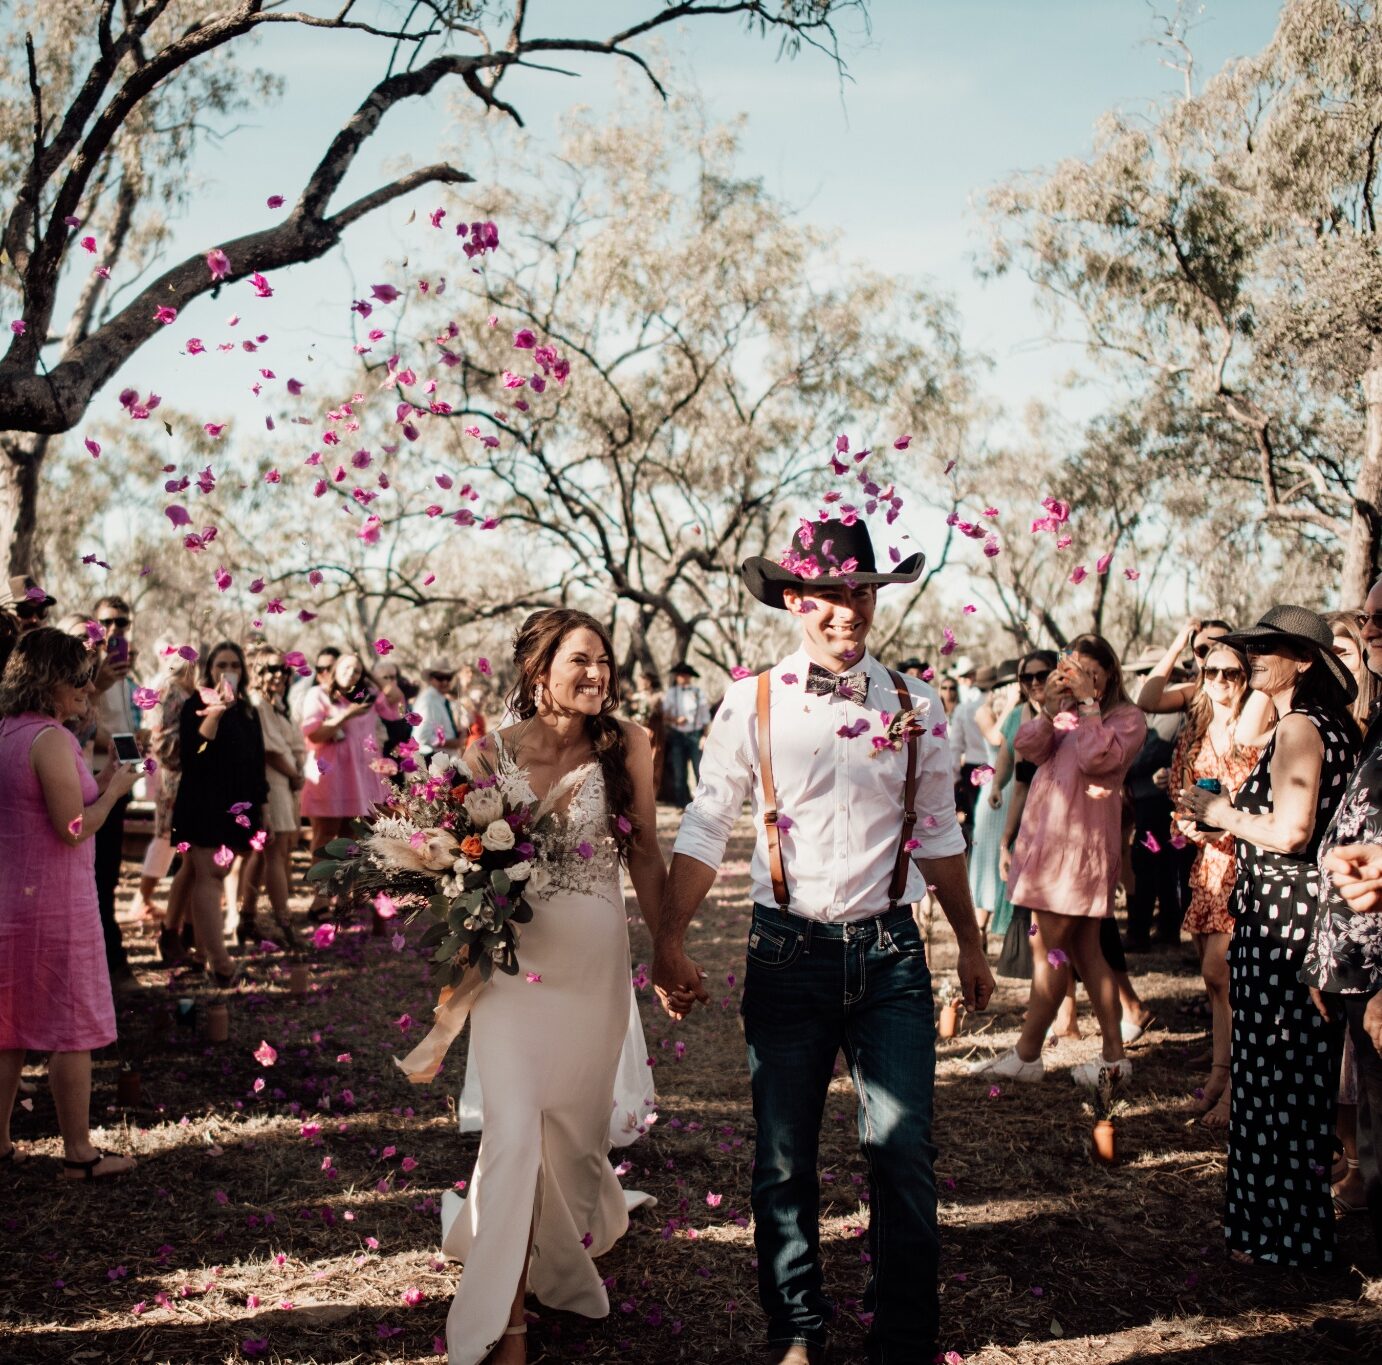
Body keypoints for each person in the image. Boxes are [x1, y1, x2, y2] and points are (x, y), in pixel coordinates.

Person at [653, 517, 994, 1365]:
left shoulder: (918, 704)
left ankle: (905, 1334)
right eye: (830, 595)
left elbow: (940, 834)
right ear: (796, 600)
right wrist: (669, 938)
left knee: (903, 1148)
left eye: (862, 593)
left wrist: (973, 945)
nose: (847, 611)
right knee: (782, 1158)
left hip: (890, 955)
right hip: (787, 954)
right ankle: (797, 1329)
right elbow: (705, 823)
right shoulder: (753, 700)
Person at [408, 608, 669, 1365]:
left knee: (571, 1141)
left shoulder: (632, 746)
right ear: (538, 670)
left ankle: (574, 1229)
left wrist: (671, 949)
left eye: (604, 663)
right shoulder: (489, 756)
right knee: (513, 1131)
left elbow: (647, 856)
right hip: (514, 977)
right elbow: (456, 867)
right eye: (580, 661)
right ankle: (503, 1323)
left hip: (594, 977)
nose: (598, 675)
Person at [1178, 605, 1358, 1267]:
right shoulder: (1322, 723)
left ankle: (1285, 1239)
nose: (1250, 658)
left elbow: (1290, 832)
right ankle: (1272, 1234)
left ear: (1305, 660)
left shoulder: (1302, 729)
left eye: (1265, 649)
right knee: (1284, 1080)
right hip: (1294, 918)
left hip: (1287, 928)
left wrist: (1222, 809)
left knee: (1276, 1081)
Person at [972, 634, 1147, 1086]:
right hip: (1045, 847)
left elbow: (1096, 759)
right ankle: (1113, 1058)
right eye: (1074, 671)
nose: (1082, 681)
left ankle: (1027, 1055)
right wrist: (1050, 709)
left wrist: (1088, 708)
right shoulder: (1065, 714)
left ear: (1109, 674)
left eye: (1091, 672)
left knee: (1046, 952)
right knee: (1088, 954)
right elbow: (1027, 748)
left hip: (1079, 854)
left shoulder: (1127, 719)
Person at [0, 628, 139, 1178]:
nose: (87, 687)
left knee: (6, 1027)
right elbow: (75, 826)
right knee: (70, 1026)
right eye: (77, 678)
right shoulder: (51, 738)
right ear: (47, 680)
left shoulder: (7, 732)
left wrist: (104, 777)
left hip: (12, 901)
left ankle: (1, 1142)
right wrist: (115, 793)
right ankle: (79, 1153)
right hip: (56, 907)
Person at [1165, 638, 1261, 1126]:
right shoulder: (1202, 726)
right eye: (1213, 673)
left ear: (1248, 679)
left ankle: (1233, 1089)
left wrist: (1227, 821)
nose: (1221, 682)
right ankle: (1220, 1077)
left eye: (1232, 674)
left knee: (1226, 976)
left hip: (1243, 860)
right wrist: (1186, 820)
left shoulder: (1258, 726)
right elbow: (1189, 791)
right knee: (1213, 978)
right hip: (1209, 862)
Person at [171, 641, 270, 986]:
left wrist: (263, 805)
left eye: (234, 665)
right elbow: (196, 756)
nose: (227, 671)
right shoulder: (194, 706)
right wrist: (216, 711)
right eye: (220, 665)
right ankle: (221, 963)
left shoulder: (248, 711)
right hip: (203, 804)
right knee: (209, 875)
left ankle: (204, 950)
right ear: (209, 670)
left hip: (238, 805)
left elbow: (258, 761)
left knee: (222, 871)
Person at [300, 652, 394, 918]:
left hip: (359, 776)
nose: (351, 673)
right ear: (334, 669)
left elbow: (395, 701)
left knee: (350, 838)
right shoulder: (318, 695)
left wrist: (372, 673)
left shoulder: (367, 697)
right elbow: (313, 732)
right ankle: (319, 900)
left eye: (356, 670)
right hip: (330, 775)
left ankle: (344, 899)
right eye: (346, 667)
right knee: (324, 837)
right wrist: (345, 716)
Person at [89, 595, 141, 991]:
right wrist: (98, 681)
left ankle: (110, 963)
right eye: (105, 622)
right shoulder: (88, 668)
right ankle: (111, 963)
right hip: (90, 780)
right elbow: (82, 722)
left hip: (119, 780)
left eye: (120, 623)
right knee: (99, 878)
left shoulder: (126, 673)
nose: (112, 631)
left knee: (108, 876)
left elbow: (123, 726)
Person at [238, 648, 305, 948]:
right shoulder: (257, 704)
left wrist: (297, 772)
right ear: (256, 671)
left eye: (283, 669)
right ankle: (285, 924)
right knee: (274, 853)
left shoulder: (276, 703)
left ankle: (247, 919)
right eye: (270, 669)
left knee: (265, 854)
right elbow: (269, 750)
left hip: (286, 782)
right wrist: (293, 774)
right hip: (272, 783)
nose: (278, 675)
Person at [1123, 647, 1185, 949]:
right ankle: (1161, 928)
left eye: (1145, 672)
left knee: (1150, 863)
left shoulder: (1171, 706)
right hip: (1146, 797)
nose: (1141, 678)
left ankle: (1144, 931)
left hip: (1158, 801)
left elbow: (1150, 753)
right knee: (1155, 864)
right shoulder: (1151, 708)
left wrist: (1119, 766)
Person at [967, 663, 1018, 939]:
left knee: (1012, 852)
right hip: (994, 790)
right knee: (988, 858)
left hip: (1017, 789)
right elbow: (997, 737)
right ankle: (979, 931)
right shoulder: (983, 711)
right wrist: (1011, 703)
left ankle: (1012, 927)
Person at [949, 657, 988, 847]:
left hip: (975, 766)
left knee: (975, 819)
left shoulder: (964, 709)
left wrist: (954, 774)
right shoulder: (990, 700)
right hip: (989, 764)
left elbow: (956, 746)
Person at [662, 661, 708, 807]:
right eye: (681, 675)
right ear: (677, 677)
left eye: (686, 675)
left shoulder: (698, 692)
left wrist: (704, 736)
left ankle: (704, 803)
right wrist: (675, 720)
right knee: (679, 772)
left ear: (690, 677)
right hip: (677, 736)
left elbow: (705, 716)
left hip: (695, 735)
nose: (683, 678)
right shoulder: (671, 693)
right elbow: (664, 716)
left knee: (699, 771)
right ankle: (682, 804)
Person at [625, 668, 666, 795]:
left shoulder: (658, 696)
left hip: (655, 732)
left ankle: (651, 795)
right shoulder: (634, 696)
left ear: (649, 681)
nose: (640, 683)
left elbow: (664, 714)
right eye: (639, 681)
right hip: (637, 732)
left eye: (643, 681)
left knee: (654, 762)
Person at [412, 660, 461, 762]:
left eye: (448, 678)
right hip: (433, 760)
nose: (445, 682)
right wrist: (453, 743)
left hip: (444, 759)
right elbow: (422, 738)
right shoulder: (429, 700)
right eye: (440, 678)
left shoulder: (439, 699)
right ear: (430, 679)